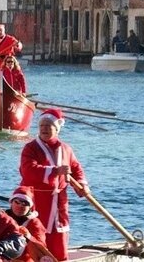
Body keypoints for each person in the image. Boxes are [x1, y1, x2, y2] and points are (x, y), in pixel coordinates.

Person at [19, 109, 88, 261]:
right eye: (41, 125)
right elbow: (28, 170)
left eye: (48, 125)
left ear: (57, 128)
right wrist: (55, 171)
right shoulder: (30, 148)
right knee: (36, 234)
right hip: (38, 200)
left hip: (59, 202)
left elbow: (76, 168)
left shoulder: (66, 149)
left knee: (59, 235)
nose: (44, 128)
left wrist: (82, 185)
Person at [6, 186, 47, 261]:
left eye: (25, 203)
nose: (20, 206)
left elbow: (41, 250)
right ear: (11, 203)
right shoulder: (3, 218)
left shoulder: (34, 223)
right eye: (17, 202)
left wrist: (29, 237)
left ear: (30, 207)